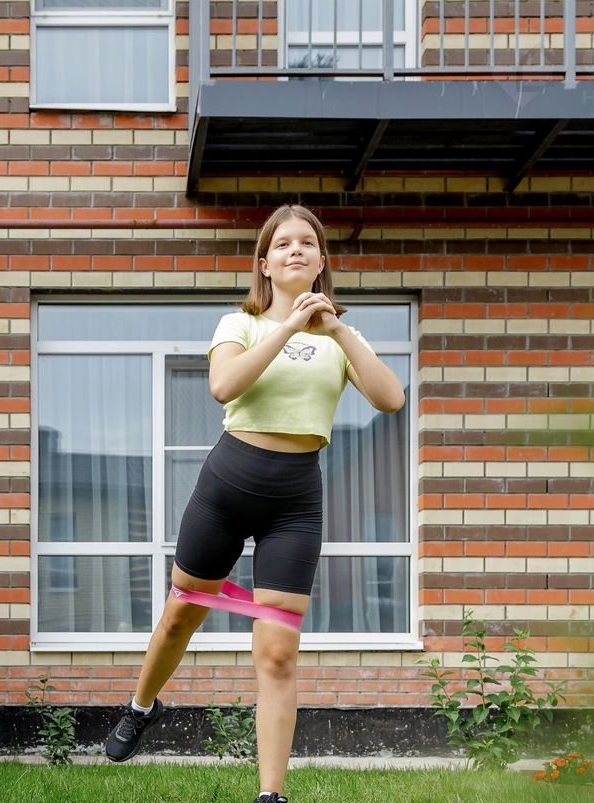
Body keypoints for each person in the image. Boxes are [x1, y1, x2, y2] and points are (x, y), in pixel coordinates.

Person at [104, 204, 406, 803]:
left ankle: (271, 795)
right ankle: (141, 706)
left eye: (307, 243)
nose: (296, 250)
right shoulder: (238, 323)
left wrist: (336, 330)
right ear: (264, 264)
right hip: (228, 486)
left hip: (296, 501)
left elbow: (390, 399)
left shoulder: (342, 339)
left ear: (321, 263)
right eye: (283, 243)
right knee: (182, 615)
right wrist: (289, 327)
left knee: (278, 654)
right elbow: (223, 386)